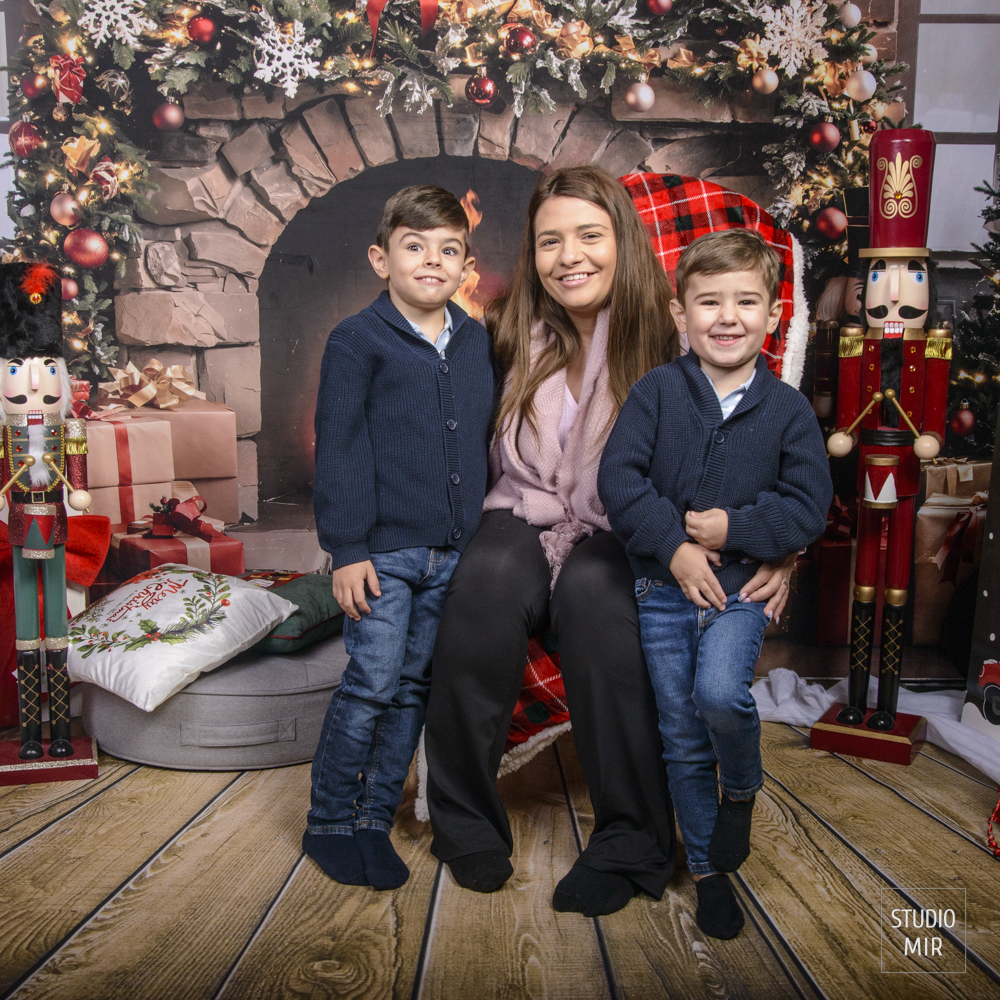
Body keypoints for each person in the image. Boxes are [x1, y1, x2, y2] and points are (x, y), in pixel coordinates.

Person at [425, 166, 797, 918]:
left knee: (598, 591)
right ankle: (463, 822)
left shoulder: (673, 334)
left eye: (589, 235)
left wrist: (779, 548)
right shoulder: (505, 330)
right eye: (550, 241)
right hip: (524, 504)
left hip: (634, 523)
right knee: (485, 580)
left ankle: (630, 841)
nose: (570, 256)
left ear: (622, 240)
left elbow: (754, 439)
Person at [598, 229, 833, 938]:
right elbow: (619, 481)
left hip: (740, 592)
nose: (727, 317)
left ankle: (743, 789)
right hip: (663, 592)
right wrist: (673, 547)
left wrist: (736, 530)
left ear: (774, 314)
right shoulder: (657, 393)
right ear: (680, 314)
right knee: (680, 734)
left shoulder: (787, 409)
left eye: (746, 302)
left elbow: (808, 507)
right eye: (709, 302)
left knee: (719, 696)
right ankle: (709, 872)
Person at [307, 186, 496, 890]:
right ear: (380, 259)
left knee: (414, 687)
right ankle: (329, 820)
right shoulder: (356, 340)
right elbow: (340, 448)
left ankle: (372, 820)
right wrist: (348, 548)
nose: (431, 261)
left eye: (449, 250)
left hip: (451, 555)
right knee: (372, 684)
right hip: (383, 554)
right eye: (414, 246)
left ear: (467, 267)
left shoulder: (475, 342)